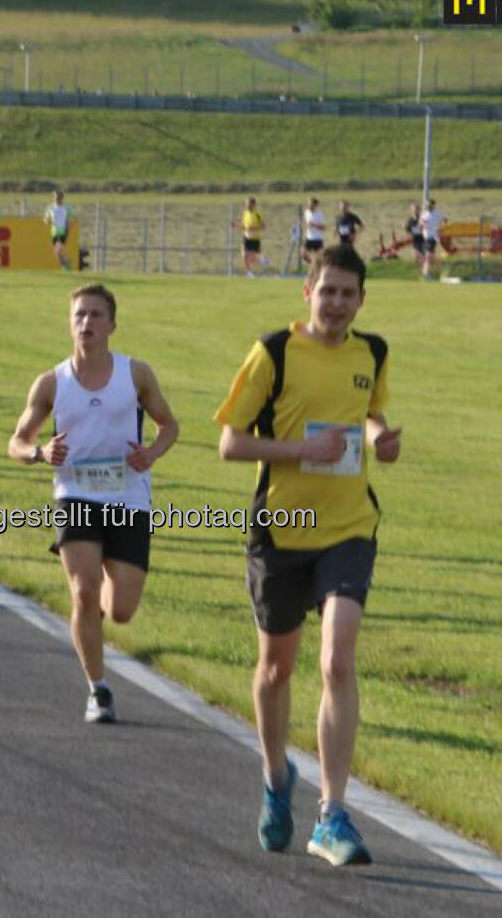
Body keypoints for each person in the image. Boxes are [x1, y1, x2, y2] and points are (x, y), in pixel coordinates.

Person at [214, 243, 400, 864]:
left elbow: (368, 412)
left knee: (338, 662)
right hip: (283, 528)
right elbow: (230, 444)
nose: (338, 303)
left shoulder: (371, 352)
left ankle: (333, 814)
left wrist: (381, 436)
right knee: (275, 672)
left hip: (350, 527)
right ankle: (275, 779)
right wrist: (299, 453)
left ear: (362, 299)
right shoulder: (272, 352)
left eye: (349, 293)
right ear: (308, 292)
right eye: (329, 292)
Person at [7, 284, 178, 722]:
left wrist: (151, 454)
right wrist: (39, 454)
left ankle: (93, 624)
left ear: (112, 325)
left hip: (128, 495)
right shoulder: (51, 382)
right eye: (80, 315)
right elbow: (17, 441)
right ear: (70, 323)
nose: (87, 323)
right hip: (75, 494)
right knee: (83, 593)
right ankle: (98, 690)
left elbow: (169, 426)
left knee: (120, 609)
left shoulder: (135, 374)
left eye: (96, 315)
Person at [44, 190, 74, 270]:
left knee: (58, 250)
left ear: (62, 198)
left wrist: (68, 229)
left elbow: (71, 219)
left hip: (63, 232)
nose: (57, 199)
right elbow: (46, 218)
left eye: (59, 197)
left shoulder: (67, 208)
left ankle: (67, 265)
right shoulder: (50, 207)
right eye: (55, 197)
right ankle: (67, 264)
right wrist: (46, 221)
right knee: (57, 254)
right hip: (54, 232)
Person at [239, 196, 264, 278]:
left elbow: (263, 226)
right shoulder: (244, 214)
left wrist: (253, 228)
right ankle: (249, 273)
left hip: (255, 239)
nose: (247, 206)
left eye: (249, 204)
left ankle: (262, 260)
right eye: (246, 204)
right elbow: (243, 226)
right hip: (246, 238)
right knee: (244, 256)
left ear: (253, 205)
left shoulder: (257, 214)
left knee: (253, 259)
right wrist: (235, 226)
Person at [419, 199, 443, 281]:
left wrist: (440, 226)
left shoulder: (437, 214)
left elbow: (442, 222)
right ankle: (429, 274)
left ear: (433, 205)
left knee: (429, 257)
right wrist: (423, 223)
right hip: (426, 238)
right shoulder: (424, 214)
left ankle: (427, 274)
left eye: (430, 205)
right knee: (430, 257)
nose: (428, 206)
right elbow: (421, 223)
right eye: (427, 205)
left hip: (433, 238)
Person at [404, 202, 426, 278]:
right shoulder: (410, 220)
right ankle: (418, 273)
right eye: (413, 209)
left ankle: (424, 272)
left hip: (423, 239)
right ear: (411, 210)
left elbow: (425, 226)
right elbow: (407, 229)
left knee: (423, 256)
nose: (415, 211)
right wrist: (410, 233)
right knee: (416, 256)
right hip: (415, 240)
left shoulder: (422, 218)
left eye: (416, 209)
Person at [303, 197, 326, 268]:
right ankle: (313, 265)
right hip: (309, 238)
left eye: (311, 205)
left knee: (320, 259)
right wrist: (306, 227)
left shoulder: (320, 214)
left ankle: (320, 269)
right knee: (303, 254)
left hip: (318, 239)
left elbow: (323, 227)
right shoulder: (306, 212)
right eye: (309, 204)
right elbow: (306, 223)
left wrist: (313, 225)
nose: (309, 206)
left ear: (316, 205)